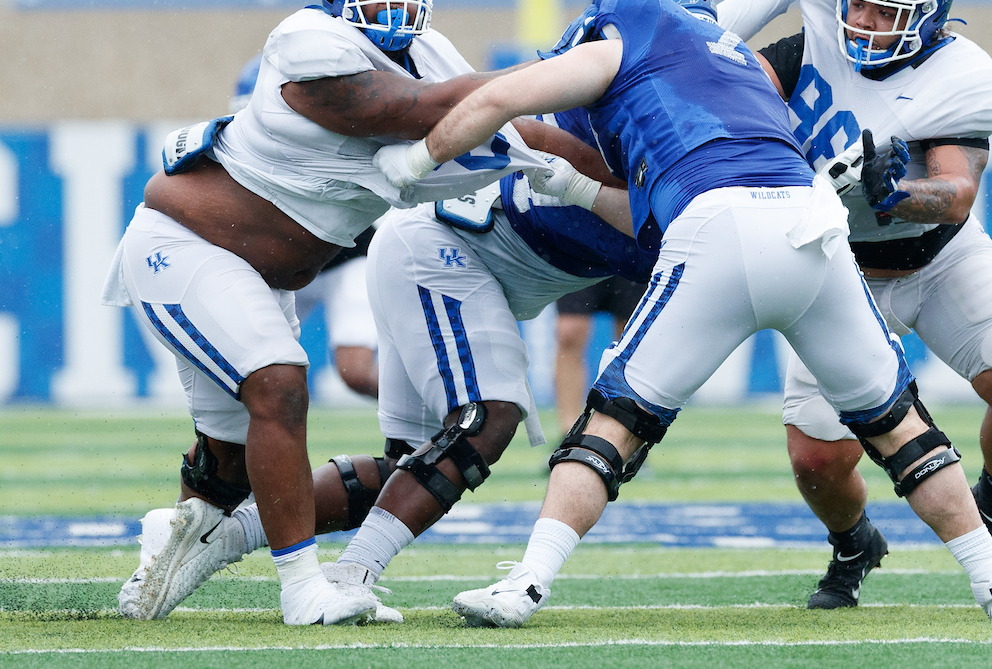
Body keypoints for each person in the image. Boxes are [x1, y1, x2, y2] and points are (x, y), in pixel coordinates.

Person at [376, 0, 992, 626]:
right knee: (901, 428)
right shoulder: (734, 56)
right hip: (812, 222)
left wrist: (409, 166)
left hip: (720, 222)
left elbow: (498, 101)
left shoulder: (636, 35)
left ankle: (526, 584)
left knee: (615, 422)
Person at [105, 0, 589, 626]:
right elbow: (410, 110)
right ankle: (304, 589)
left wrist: (620, 175)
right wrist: (546, 77)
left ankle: (171, 540)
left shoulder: (430, 53)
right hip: (183, 249)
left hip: (259, 274)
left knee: (228, 463)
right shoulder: (310, 42)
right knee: (278, 382)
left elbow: (513, 131)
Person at [119, 125, 650, 621]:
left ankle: (222, 539)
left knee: (410, 463)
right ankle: (343, 575)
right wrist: (586, 178)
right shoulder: (658, 154)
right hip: (441, 246)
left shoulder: (694, 180)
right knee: (484, 419)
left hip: (431, 247)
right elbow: (505, 115)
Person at [716, 0, 992, 608]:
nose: (862, 21)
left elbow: (957, 194)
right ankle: (853, 543)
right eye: (857, 2)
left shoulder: (960, 77)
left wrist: (891, 191)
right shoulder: (814, 42)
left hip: (937, 261)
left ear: (928, 22)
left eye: (885, 12)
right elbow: (719, 66)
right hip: (835, 274)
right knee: (818, 460)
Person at [233, 54, 380, 399]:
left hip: (345, 258)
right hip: (286, 267)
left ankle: (437, 412)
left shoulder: (329, 142)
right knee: (246, 366)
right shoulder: (239, 150)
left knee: (355, 372)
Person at [553, 277, 645, 434]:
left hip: (630, 255)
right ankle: (569, 433)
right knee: (569, 333)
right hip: (583, 255)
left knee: (631, 335)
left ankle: (627, 431)